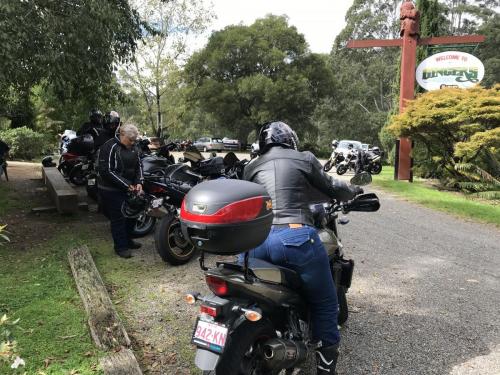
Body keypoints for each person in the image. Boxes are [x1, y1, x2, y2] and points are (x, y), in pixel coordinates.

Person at [243, 121, 362, 375]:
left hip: (255, 241)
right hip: (294, 238)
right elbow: (332, 187)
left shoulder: (251, 166)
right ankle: (325, 367)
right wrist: (353, 189)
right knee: (325, 303)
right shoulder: (304, 158)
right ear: (290, 139)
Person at [97, 124, 144, 258]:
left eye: (135, 140)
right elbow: (106, 171)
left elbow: (139, 165)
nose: (133, 142)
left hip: (130, 186)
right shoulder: (109, 147)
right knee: (119, 218)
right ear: (122, 135)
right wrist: (127, 185)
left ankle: (128, 240)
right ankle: (121, 247)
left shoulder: (135, 146)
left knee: (133, 214)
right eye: (130, 140)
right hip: (110, 189)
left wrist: (139, 182)